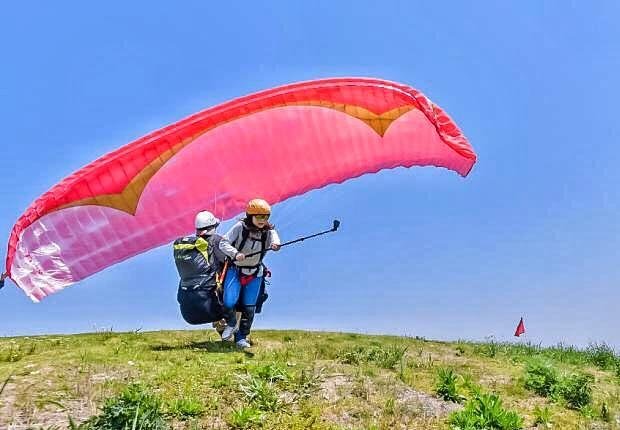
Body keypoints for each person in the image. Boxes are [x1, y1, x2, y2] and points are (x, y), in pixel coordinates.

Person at [218, 198, 281, 348]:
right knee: (229, 301)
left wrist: (276, 245)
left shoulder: (269, 231)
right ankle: (232, 323)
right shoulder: (240, 227)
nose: (262, 220)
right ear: (250, 216)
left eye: (265, 217)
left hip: (255, 274)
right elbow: (223, 243)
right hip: (236, 270)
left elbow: (276, 240)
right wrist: (235, 253)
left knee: (249, 307)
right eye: (259, 216)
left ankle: (241, 338)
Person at [174, 210, 228, 325]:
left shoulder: (191, 247)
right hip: (211, 308)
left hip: (188, 313)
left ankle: (222, 329)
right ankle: (230, 330)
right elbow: (230, 259)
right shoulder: (217, 240)